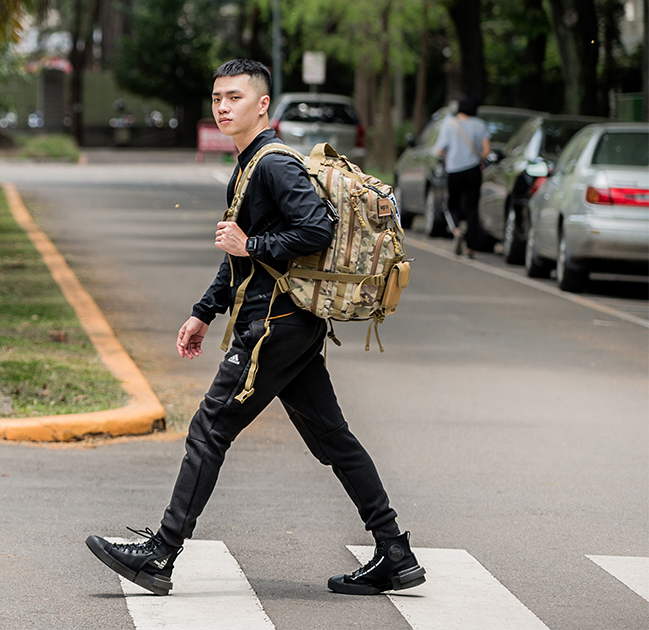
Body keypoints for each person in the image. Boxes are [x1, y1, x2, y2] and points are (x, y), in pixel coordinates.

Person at [85, 59, 425, 597]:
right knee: (332, 437)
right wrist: (204, 310)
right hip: (289, 322)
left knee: (209, 428)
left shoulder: (271, 164)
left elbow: (315, 226)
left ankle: (160, 553)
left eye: (235, 97)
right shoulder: (249, 166)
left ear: (262, 105)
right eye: (217, 97)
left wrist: (254, 246)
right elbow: (238, 254)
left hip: (275, 324)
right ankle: (394, 551)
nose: (223, 106)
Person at [434, 94, 491, 258]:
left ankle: (457, 230)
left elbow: (439, 150)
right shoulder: (479, 125)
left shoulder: (449, 124)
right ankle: (471, 247)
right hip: (473, 170)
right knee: (472, 208)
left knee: (451, 205)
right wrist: (476, 157)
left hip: (454, 170)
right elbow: (487, 150)